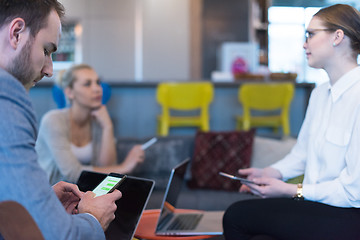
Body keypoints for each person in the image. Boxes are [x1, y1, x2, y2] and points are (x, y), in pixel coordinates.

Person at [223, 4, 360, 240]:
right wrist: (270, 172)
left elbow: (353, 192)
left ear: (338, 37)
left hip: (349, 214)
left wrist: (290, 190)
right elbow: (302, 155)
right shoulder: (320, 93)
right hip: (316, 205)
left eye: (311, 34)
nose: (304, 43)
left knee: (236, 217)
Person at [0, 1, 122, 239]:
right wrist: (93, 219)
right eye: (46, 50)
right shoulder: (8, 99)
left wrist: (41, 198)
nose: (49, 70)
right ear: (16, 33)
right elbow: (54, 235)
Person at [36, 64, 145, 185]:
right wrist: (124, 168)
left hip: (81, 195)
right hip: (48, 195)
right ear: (70, 92)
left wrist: (107, 127)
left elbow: (107, 168)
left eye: (98, 83)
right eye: (87, 84)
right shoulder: (53, 120)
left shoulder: (98, 121)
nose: (97, 89)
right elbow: (72, 173)